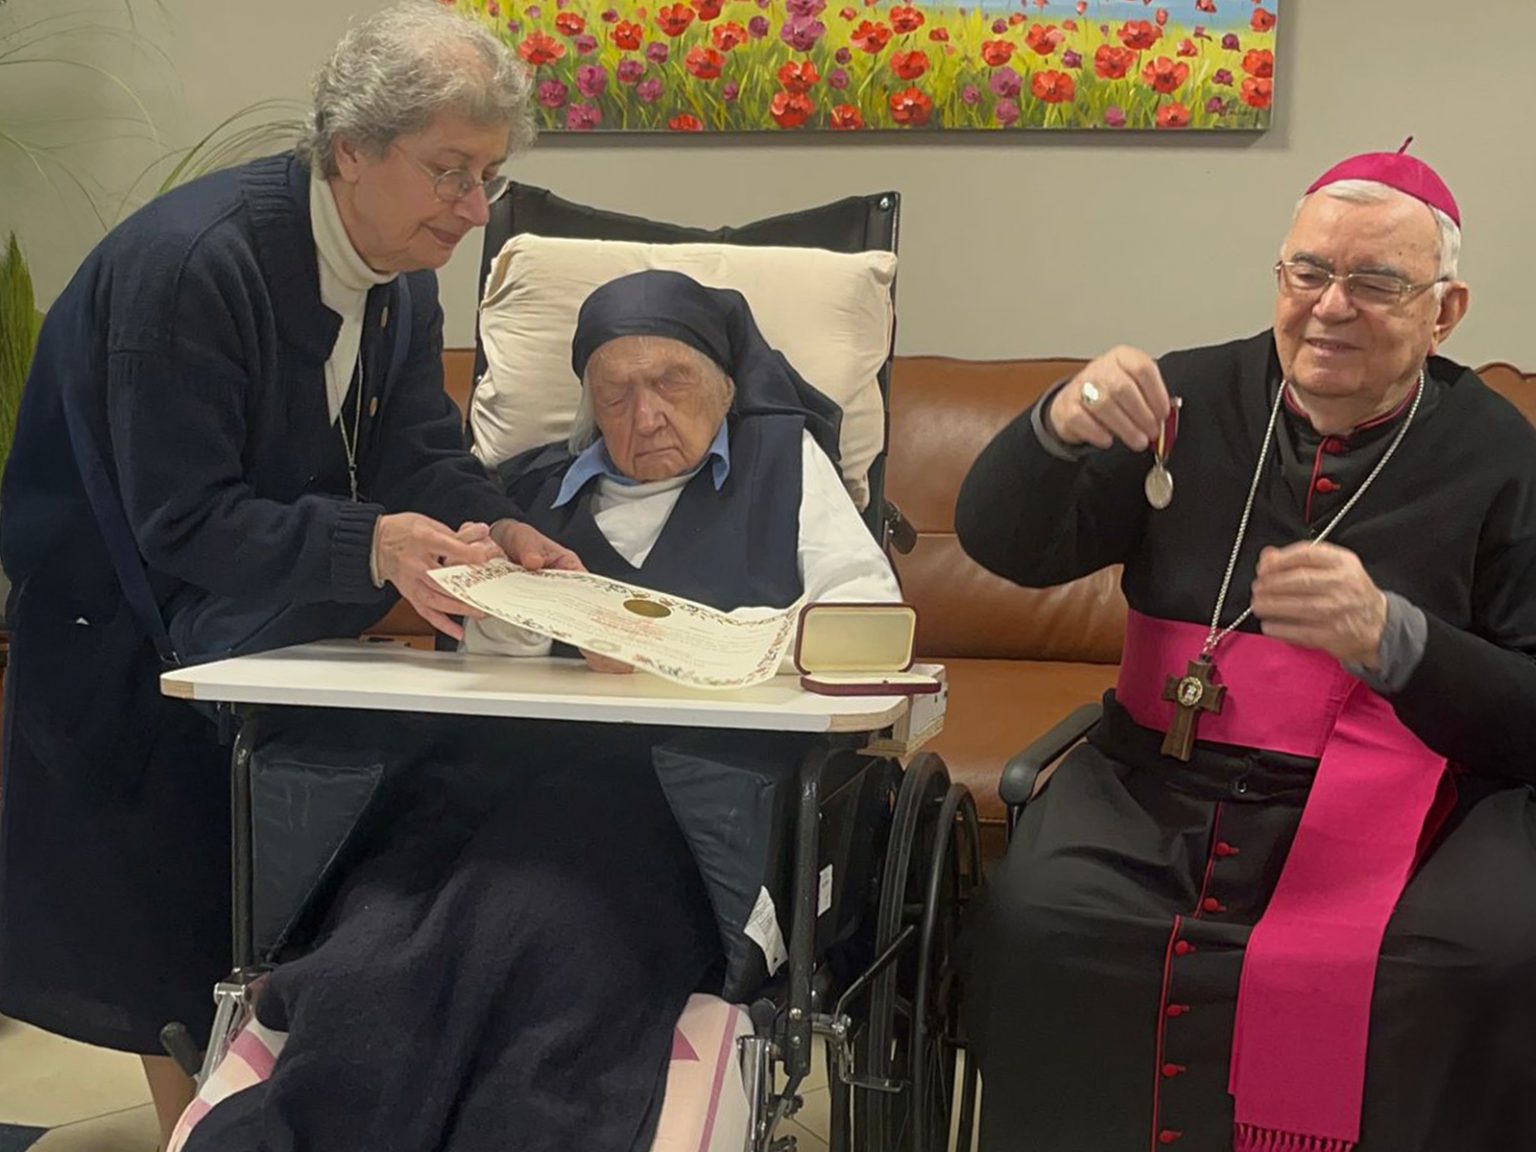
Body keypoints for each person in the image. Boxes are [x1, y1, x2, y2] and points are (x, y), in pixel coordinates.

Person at [0, 3, 574, 1142]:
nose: (474, 210)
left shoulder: (401, 267)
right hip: (123, 631)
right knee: (172, 943)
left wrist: (505, 529)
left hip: (252, 629)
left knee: (293, 908)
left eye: (489, 177)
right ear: (350, 148)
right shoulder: (194, 265)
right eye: (450, 172)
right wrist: (375, 545)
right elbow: (180, 518)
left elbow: (419, 451)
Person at [173, 270, 900, 1152]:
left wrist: (676, 643)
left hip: (680, 810)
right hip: (489, 783)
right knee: (374, 938)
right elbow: (480, 660)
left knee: (540, 932)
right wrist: (509, 613)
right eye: (615, 394)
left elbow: (866, 618)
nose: (645, 416)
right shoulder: (527, 492)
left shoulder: (784, 466)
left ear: (724, 385)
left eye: (670, 383)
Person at [957, 147, 1536, 1152]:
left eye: (1376, 282)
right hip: (1156, 779)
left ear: (1445, 312)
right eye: (1308, 271)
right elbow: (1003, 545)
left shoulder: (1502, 455)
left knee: (1466, 960)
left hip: (1413, 798)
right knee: (1044, 919)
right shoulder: (1182, 400)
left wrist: (1400, 642)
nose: (1330, 306)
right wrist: (1056, 424)